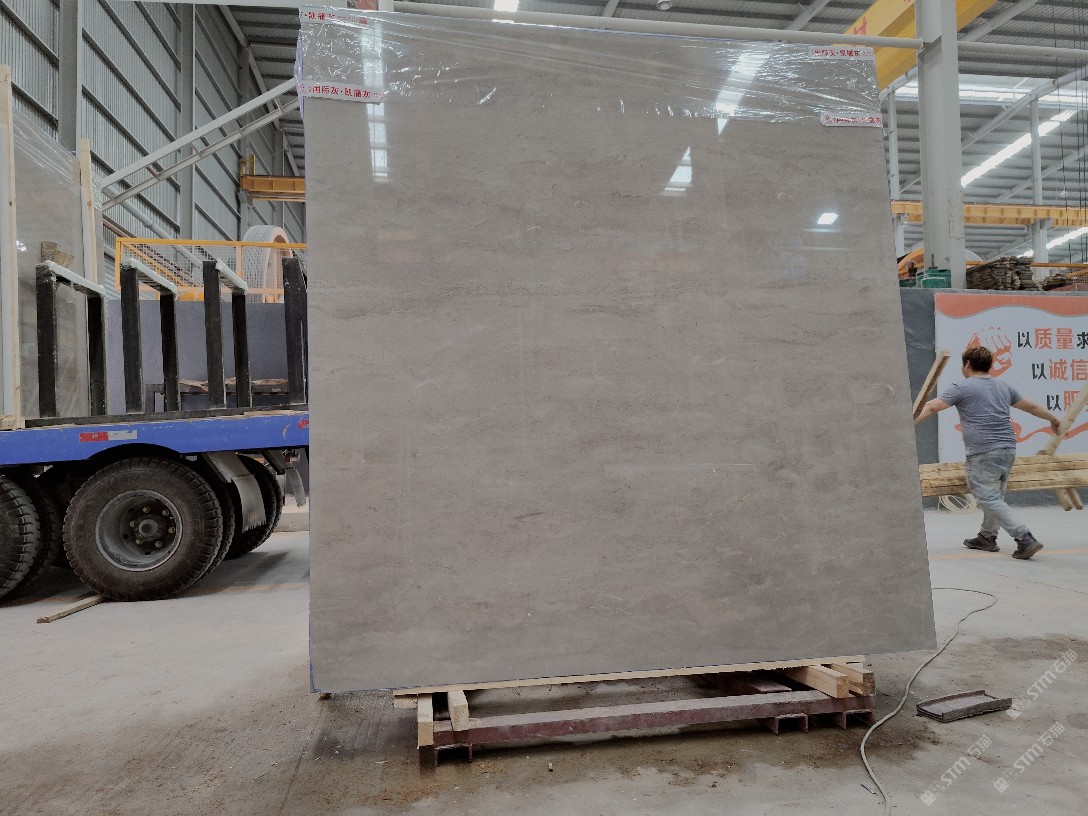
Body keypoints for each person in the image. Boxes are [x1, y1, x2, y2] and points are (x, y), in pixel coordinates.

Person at [915, 346, 1060, 560]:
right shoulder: (1003, 386)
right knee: (995, 497)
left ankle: (1024, 537)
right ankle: (987, 537)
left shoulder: (961, 387)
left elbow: (931, 407)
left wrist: (907, 426)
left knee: (989, 497)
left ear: (967, 364)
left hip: (984, 451)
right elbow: (1030, 406)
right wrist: (1052, 418)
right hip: (1008, 449)